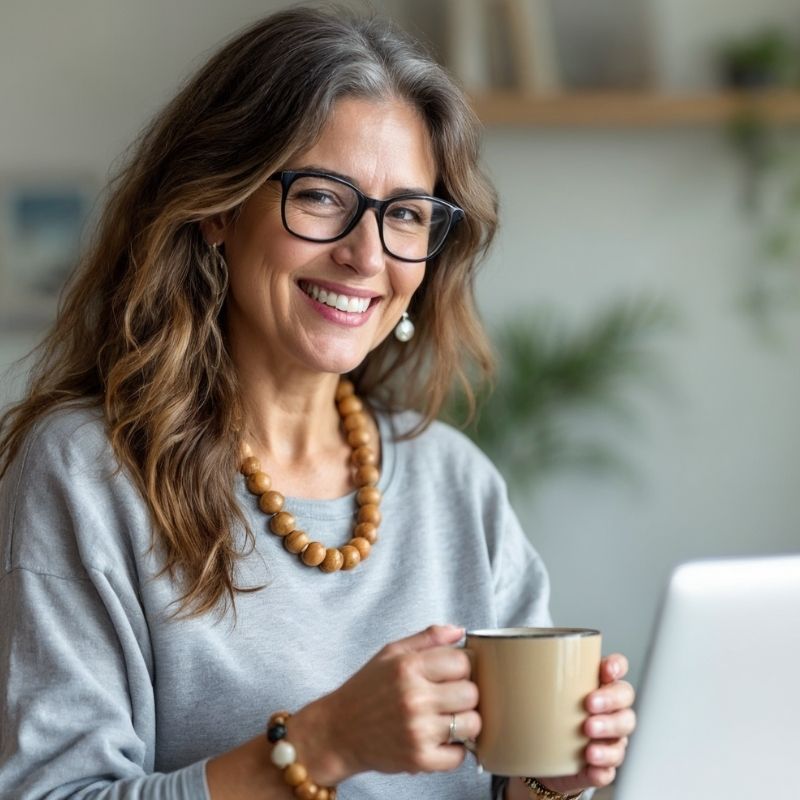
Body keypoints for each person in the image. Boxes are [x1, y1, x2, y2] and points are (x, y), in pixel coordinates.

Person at [0, 7, 636, 799]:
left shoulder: (457, 481)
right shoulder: (87, 472)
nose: (366, 256)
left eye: (406, 214)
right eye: (323, 197)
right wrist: (326, 742)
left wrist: (550, 782)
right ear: (219, 208)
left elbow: (505, 787)